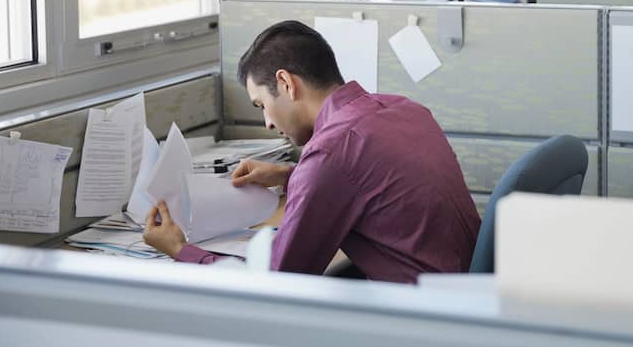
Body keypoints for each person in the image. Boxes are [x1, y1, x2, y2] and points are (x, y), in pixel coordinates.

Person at [143, 20, 481, 284]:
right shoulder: (404, 109)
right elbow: (372, 184)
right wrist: (289, 175)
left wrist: (181, 250)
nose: (267, 123)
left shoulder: (329, 156)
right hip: (471, 297)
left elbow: (276, 284)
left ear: (287, 84)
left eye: (262, 104)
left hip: (425, 323)